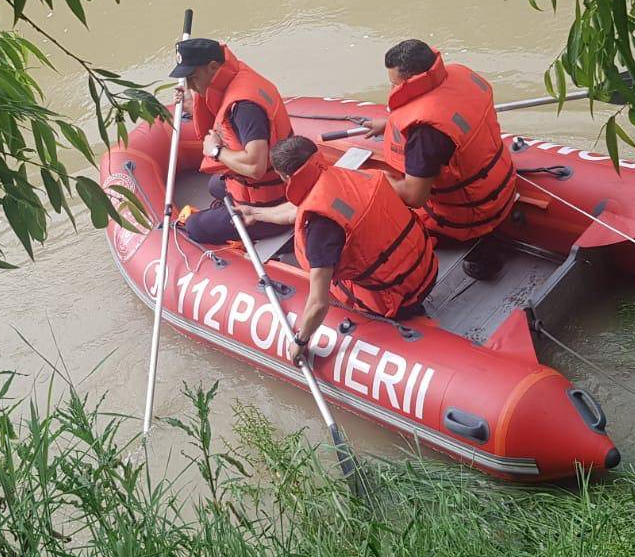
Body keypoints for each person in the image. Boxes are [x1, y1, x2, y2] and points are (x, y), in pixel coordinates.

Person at [240, 135, 438, 362]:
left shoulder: (320, 226)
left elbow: (318, 303)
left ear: (286, 176)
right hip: (428, 269)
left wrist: (300, 342)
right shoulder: (352, 176)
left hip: (399, 300)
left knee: (320, 276)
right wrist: (255, 213)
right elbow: (300, 208)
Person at [364, 39, 517, 243]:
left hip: (468, 216)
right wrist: (390, 124)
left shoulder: (426, 132)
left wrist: (375, 178)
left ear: (412, 82)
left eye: (395, 85)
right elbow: (448, 114)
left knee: (377, 228)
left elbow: (414, 197)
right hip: (503, 186)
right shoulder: (459, 74)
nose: (391, 91)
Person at [171, 37, 294, 245]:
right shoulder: (236, 77)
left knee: (195, 226)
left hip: (272, 203)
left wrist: (216, 151)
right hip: (273, 182)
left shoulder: (245, 108)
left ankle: (279, 230)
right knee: (214, 185)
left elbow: (256, 167)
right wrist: (193, 105)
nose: (190, 85)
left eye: (192, 78)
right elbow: (226, 121)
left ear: (212, 67)